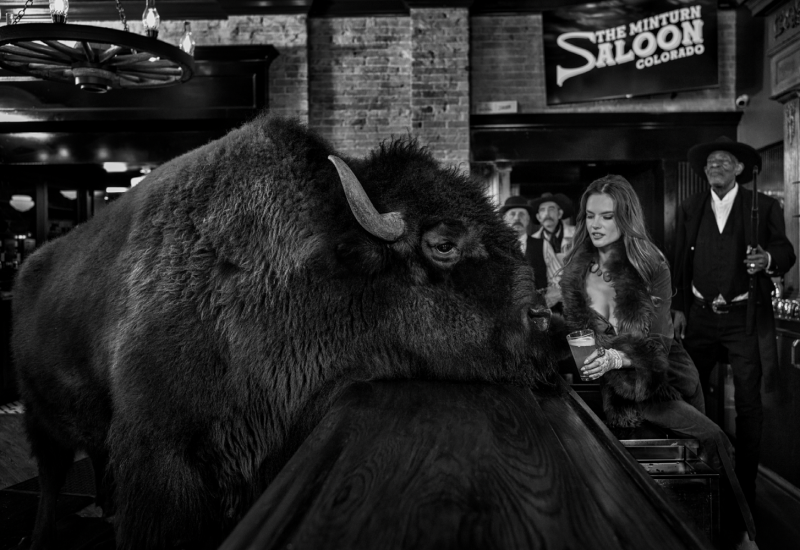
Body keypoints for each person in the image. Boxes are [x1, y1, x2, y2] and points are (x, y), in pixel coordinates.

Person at [559, 174, 725, 466]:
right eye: (590, 216)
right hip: (621, 388)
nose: (595, 225)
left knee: (711, 443)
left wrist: (615, 358)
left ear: (625, 218)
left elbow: (658, 345)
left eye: (607, 216)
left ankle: (723, 512)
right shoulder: (575, 271)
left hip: (668, 377)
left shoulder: (651, 265)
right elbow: (575, 339)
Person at [672, 136, 796, 510]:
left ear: (739, 169)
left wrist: (768, 259)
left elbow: (786, 251)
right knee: (687, 393)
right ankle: (697, 474)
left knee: (748, 405)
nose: (716, 167)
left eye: (724, 161)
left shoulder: (764, 205)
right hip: (700, 316)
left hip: (744, 319)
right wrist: (677, 306)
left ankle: (745, 489)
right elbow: (679, 259)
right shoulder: (691, 206)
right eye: (710, 162)